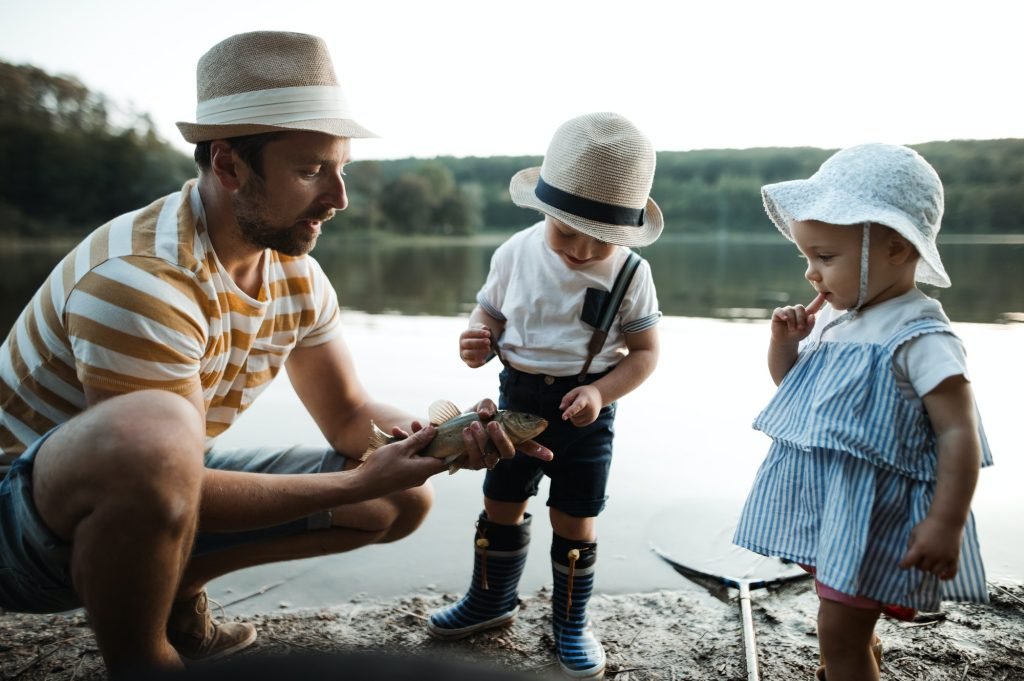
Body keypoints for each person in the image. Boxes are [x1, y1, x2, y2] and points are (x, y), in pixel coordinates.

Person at [0, 31, 551, 677]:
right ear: (230, 165)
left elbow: (348, 416)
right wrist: (352, 479)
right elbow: (145, 465)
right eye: (312, 170)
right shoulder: (141, 275)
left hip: (144, 492)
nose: (339, 197)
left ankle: (173, 591)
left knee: (398, 499)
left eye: (341, 168)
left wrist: (440, 441)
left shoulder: (293, 273)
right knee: (155, 433)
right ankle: (144, 659)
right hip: (20, 529)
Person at [732, 144, 993, 681]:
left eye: (825, 257)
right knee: (844, 625)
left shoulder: (920, 336)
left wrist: (946, 524)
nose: (811, 273)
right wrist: (784, 345)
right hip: (833, 513)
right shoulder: (835, 321)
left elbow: (957, 433)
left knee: (837, 631)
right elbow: (800, 397)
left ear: (895, 249)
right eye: (807, 257)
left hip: (877, 519)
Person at [427, 112, 663, 680]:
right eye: (566, 232)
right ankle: (491, 601)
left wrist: (601, 393)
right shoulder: (514, 252)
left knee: (574, 519)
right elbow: (489, 310)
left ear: (625, 235)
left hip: (586, 413)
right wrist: (476, 338)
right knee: (501, 501)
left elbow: (646, 355)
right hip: (516, 399)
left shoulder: (632, 273)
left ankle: (570, 623)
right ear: (543, 212)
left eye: (600, 238)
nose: (581, 250)